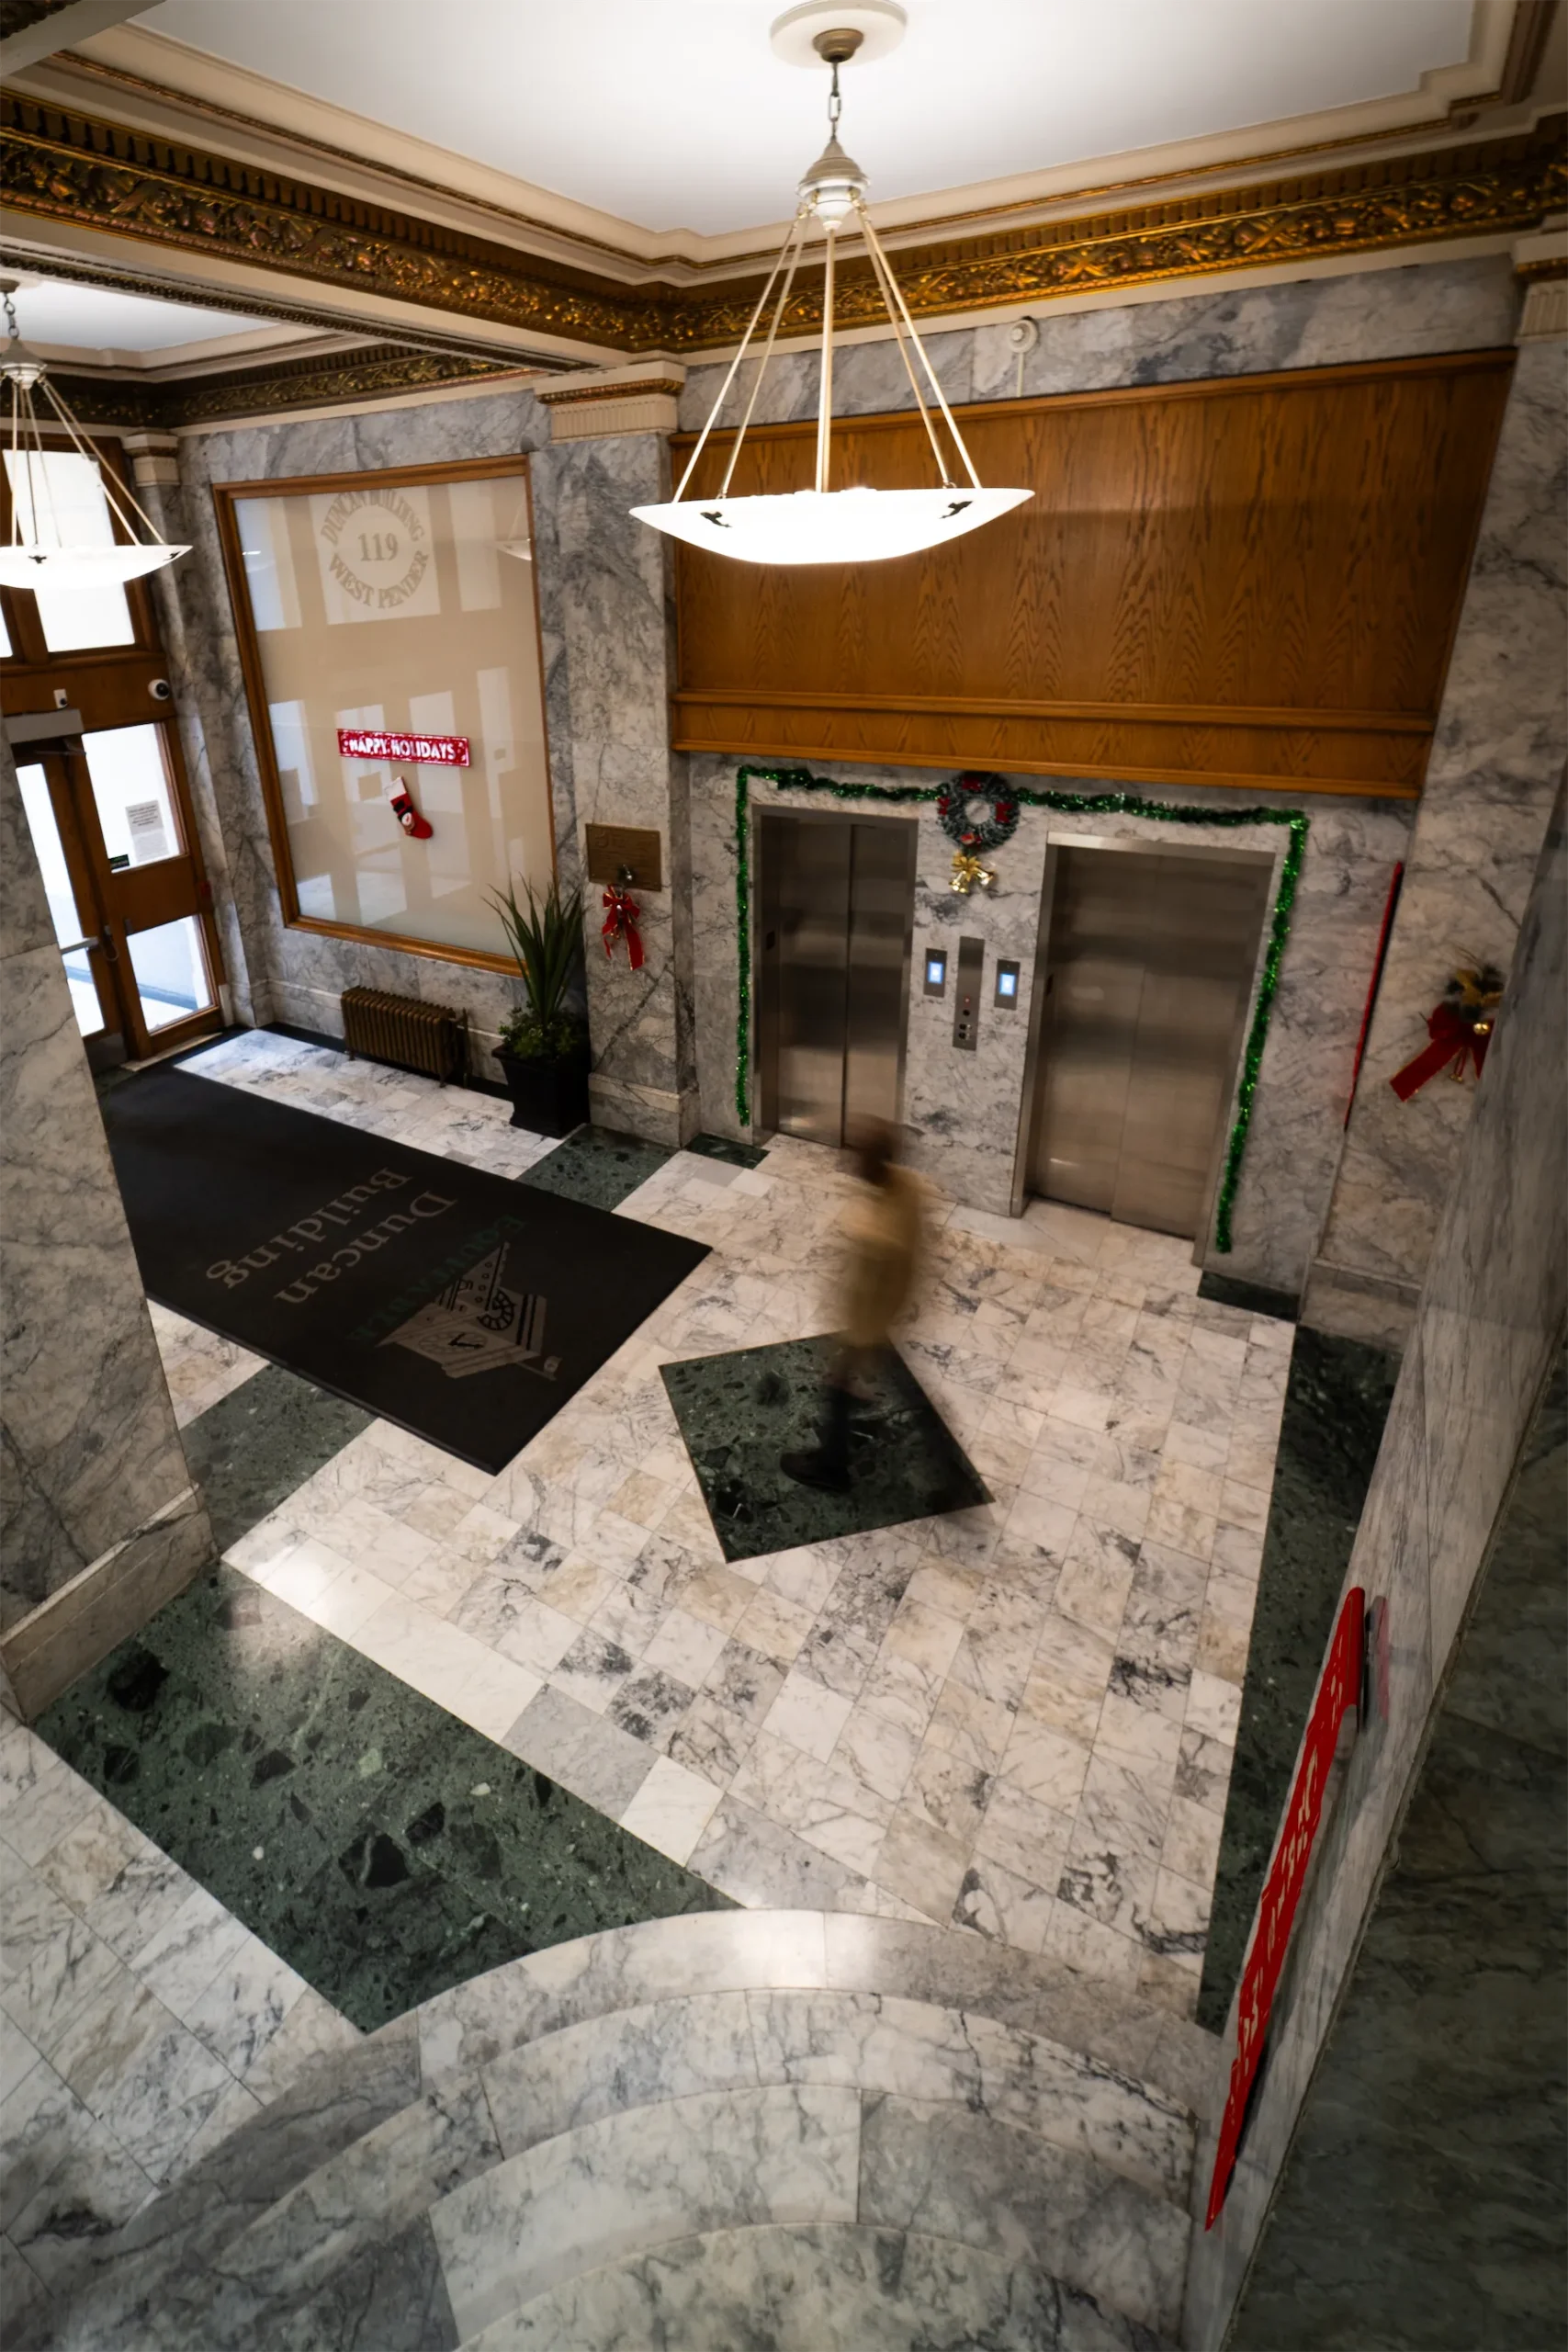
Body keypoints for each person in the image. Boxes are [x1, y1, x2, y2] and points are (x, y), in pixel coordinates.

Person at [782, 1119, 925, 1493]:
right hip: (892, 1310)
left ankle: (831, 1469)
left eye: (857, 1155)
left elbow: (862, 1293)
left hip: (869, 1323)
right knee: (899, 1385)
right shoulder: (908, 1188)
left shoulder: (874, 1232)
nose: (851, 1161)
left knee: (838, 1391)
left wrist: (850, 1347)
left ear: (871, 1162)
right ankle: (944, 1462)